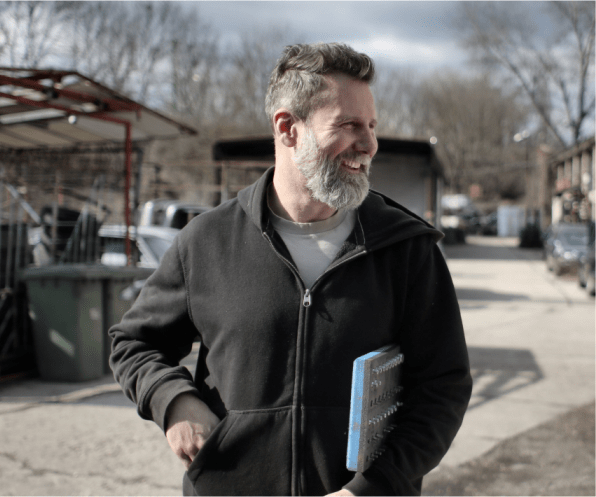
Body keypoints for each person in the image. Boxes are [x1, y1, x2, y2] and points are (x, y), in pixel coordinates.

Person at [109, 42, 472, 496]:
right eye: (349, 125)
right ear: (288, 128)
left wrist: (371, 488)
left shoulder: (406, 248)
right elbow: (133, 344)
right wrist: (174, 402)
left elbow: (443, 388)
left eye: (372, 126)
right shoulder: (206, 241)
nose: (370, 144)